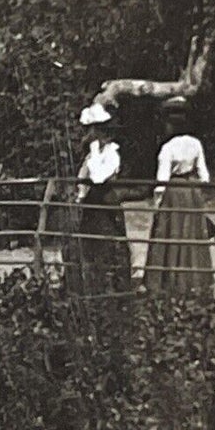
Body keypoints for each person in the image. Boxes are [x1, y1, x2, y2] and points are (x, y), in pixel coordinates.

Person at [143, 98, 214, 292]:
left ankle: (168, 283)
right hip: (192, 193)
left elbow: (161, 182)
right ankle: (194, 283)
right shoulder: (196, 144)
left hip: (173, 193)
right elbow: (204, 175)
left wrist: (157, 205)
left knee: (169, 235)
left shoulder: (168, 148)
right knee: (191, 234)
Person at [64, 103, 133, 296]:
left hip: (106, 202)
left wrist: (94, 152)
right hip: (91, 204)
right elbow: (84, 179)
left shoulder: (112, 153)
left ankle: (114, 288)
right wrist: (80, 195)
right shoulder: (90, 156)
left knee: (109, 245)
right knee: (90, 246)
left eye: (92, 130)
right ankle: (94, 288)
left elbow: (99, 177)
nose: (89, 134)